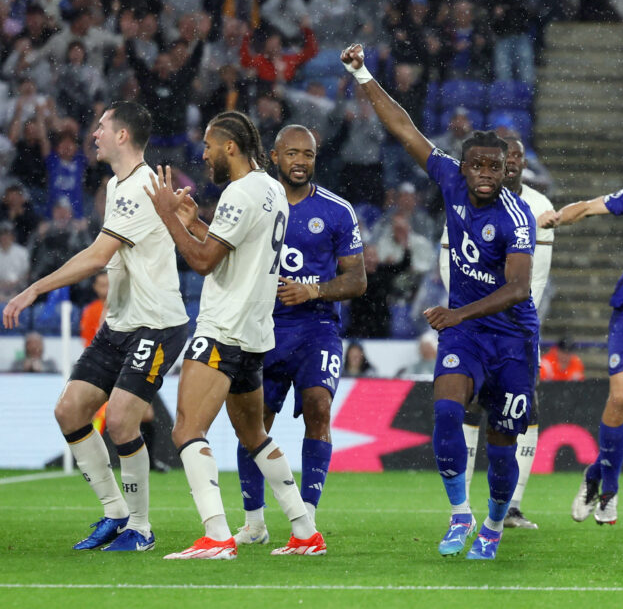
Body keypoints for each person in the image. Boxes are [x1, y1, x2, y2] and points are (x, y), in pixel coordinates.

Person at [342, 43, 539, 560]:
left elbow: (518, 289)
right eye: (476, 164)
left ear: (504, 171)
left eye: (494, 167)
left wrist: (456, 312)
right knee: (447, 415)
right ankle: (460, 516)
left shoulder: (518, 219)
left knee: (501, 442)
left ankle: (494, 525)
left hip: (512, 336)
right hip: (466, 333)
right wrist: (363, 72)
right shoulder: (449, 177)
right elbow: (404, 128)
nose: (484, 173)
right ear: (465, 164)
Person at [2, 102, 189, 552]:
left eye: (103, 126)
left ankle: (141, 529)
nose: (96, 133)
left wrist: (34, 289)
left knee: (123, 420)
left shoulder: (141, 186)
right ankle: (114, 513)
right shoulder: (115, 184)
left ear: (123, 135)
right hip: (121, 322)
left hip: (156, 322)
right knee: (69, 411)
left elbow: (96, 256)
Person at [145, 110, 323, 559]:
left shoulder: (239, 193)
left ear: (229, 147)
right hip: (255, 332)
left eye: (208, 146)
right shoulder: (272, 191)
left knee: (187, 429)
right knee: (254, 437)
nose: (203, 155)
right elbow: (230, 252)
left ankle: (217, 536)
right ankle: (305, 531)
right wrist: (190, 222)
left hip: (223, 327)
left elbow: (205, 262)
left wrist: (168, 217)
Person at [233, 124, 367, 546]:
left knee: (318, 407)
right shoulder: (254, 202)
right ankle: (254, 523)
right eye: (292, 154)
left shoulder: (337, 210)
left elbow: (358, 280)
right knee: (254, 425)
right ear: (274, 156)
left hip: (317, 327)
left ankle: (306, 515)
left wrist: (315, 289)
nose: (300, 162)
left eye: (307, 155)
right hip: (264, 328)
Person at [546, 173, 623, 526]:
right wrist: (555, 218)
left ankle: (593, 477)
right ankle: (610, 493)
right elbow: (587, 207)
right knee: (619, 400)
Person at [445, 130, 555, 531]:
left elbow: (532, 277)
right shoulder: (463, 199)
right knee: (468, 409)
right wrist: (460, 309)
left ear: (521, 163)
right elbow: (452, 258)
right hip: (473, 323)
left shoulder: (537, 206)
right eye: (506, 158)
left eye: (517, 158)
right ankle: (465, 505)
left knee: (521, 414)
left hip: (518, 328)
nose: (512, 164)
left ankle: (511, 506)